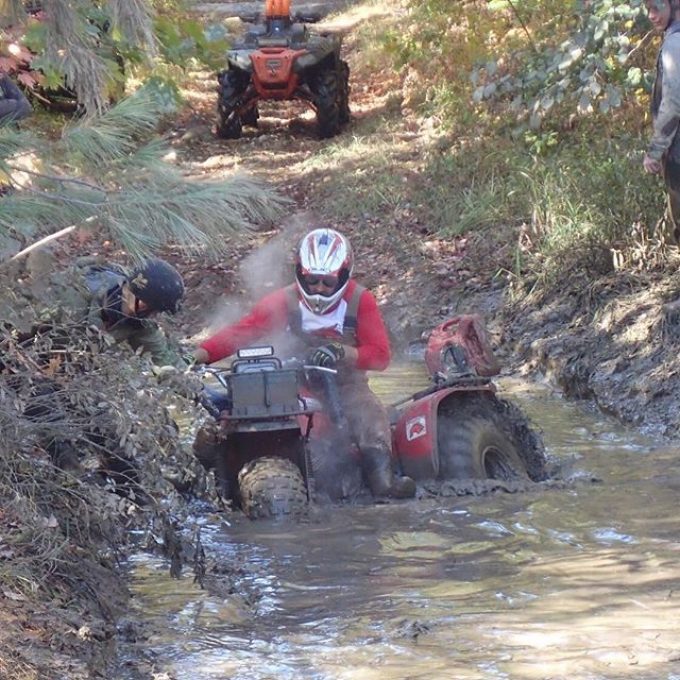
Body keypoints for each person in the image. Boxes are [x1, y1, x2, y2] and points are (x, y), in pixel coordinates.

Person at [191, 227, 416, 500]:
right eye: (312, 281)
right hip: (294, 386)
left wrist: (343, 352)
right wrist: (198, 356)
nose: (319, 289)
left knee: (371, 418)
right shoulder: (282, 301)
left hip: (347, 386)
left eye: (327, 282)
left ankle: (385, 484)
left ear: (343, 276)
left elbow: (380, 356)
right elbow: (241, 332)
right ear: (300, 273)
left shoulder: (360, 301)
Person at [643, 0, 680, 242]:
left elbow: (673, 103)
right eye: (648, 9)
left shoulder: (674, 44)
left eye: (656, 8)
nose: (651, 16)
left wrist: (655, 150)